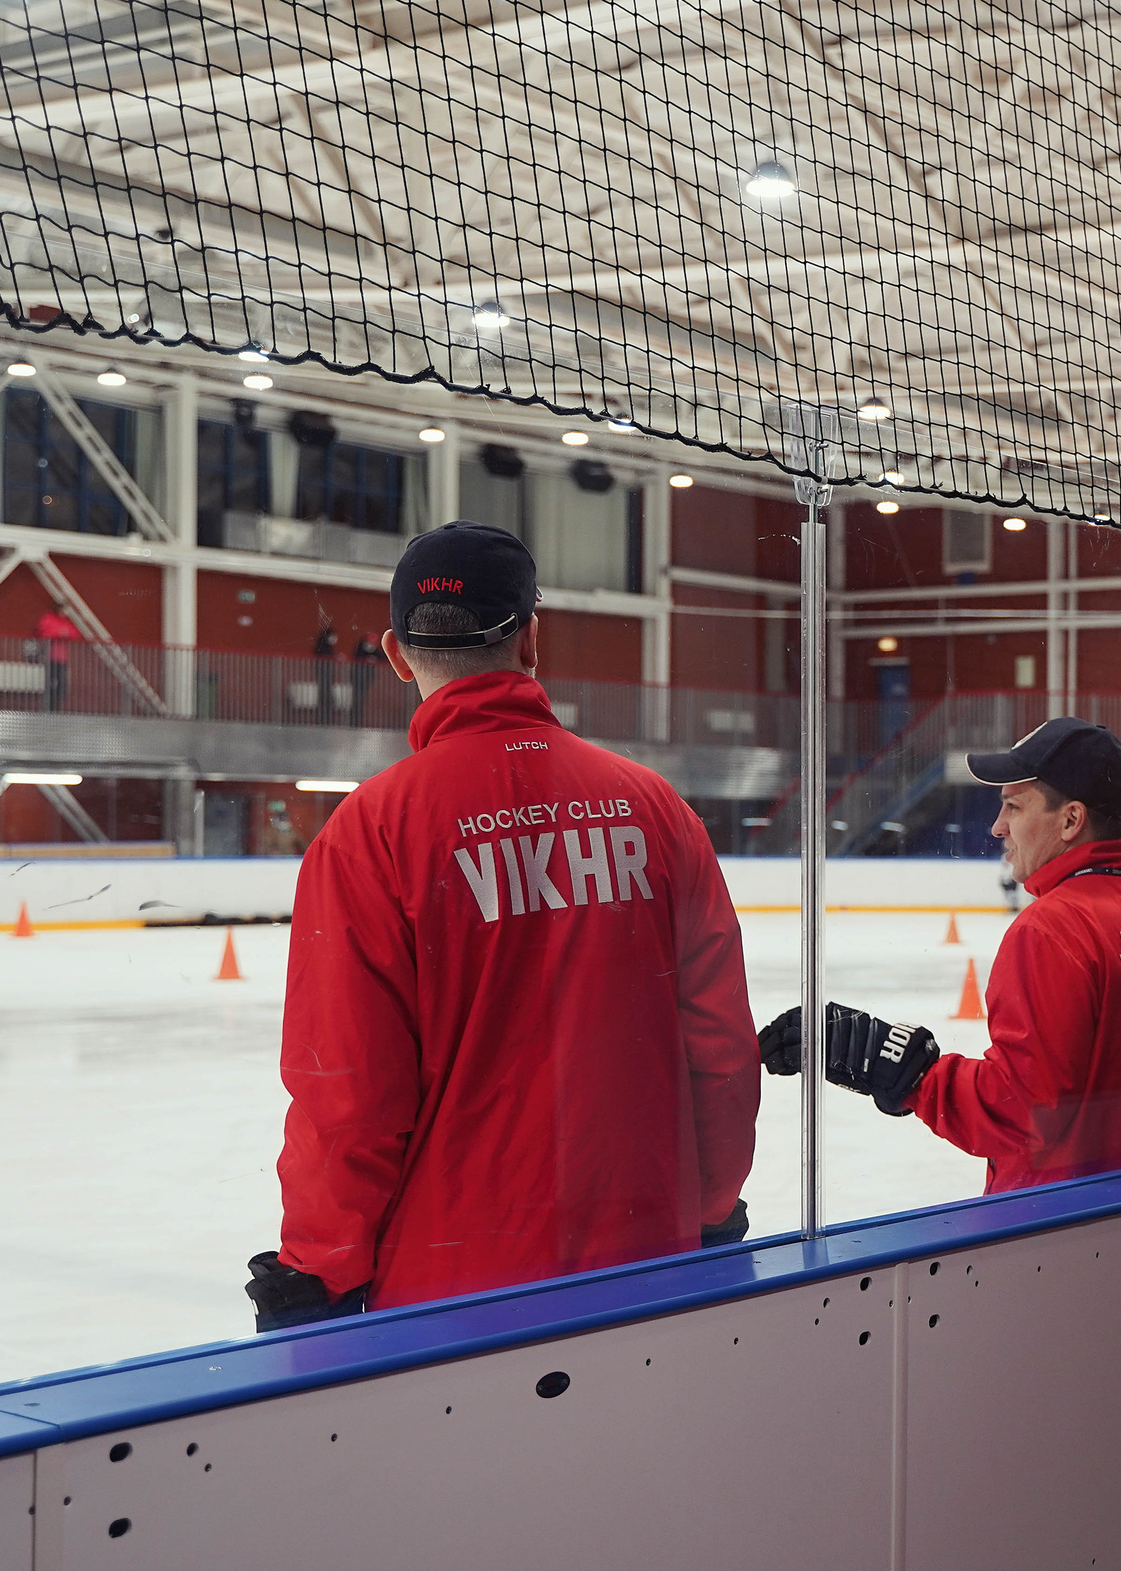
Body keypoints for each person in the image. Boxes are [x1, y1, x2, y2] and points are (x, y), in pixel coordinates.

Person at [249, 522, 759, 1331]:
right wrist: (711, 1203)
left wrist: (321, 1268)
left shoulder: (369, 832)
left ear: (395, 652)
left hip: (453, 1294)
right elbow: (722, 1047)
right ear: (531, 639)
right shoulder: (656, 808)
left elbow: (347, 1088)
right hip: (649, 1261)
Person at [761, 718, 1121, 1195]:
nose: (997, 827)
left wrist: (908, 1070)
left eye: (1013, 806)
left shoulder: (1052, 930)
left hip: (1063, 1234)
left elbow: (1020, 1112)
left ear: (1071, 820)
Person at [33, 606, 79, 712]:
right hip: (51, 657)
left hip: (62, 658)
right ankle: (49, 707)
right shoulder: (49, 619)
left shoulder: (65, 622)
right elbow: (44, 632)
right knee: (51, 682)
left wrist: (63, 633)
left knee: (61, 683)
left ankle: (56, 707)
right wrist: (59, 634)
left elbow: (74, 633)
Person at [349, 627, 383, 727]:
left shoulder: (374, 650)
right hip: (358, 678)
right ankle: (354, 722)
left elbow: (381, 657)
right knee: (356, 699)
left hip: (367, 679)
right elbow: (357, 657)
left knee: (361, 700)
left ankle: (358, 721)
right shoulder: (360, 648)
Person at [312, 620, 340, 724]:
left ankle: (326, 718)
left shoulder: (328, 648)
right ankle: (323, 719)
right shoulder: (322, 647)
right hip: (324, 676)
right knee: (324, 695)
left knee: (327, 695)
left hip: (328, 677)